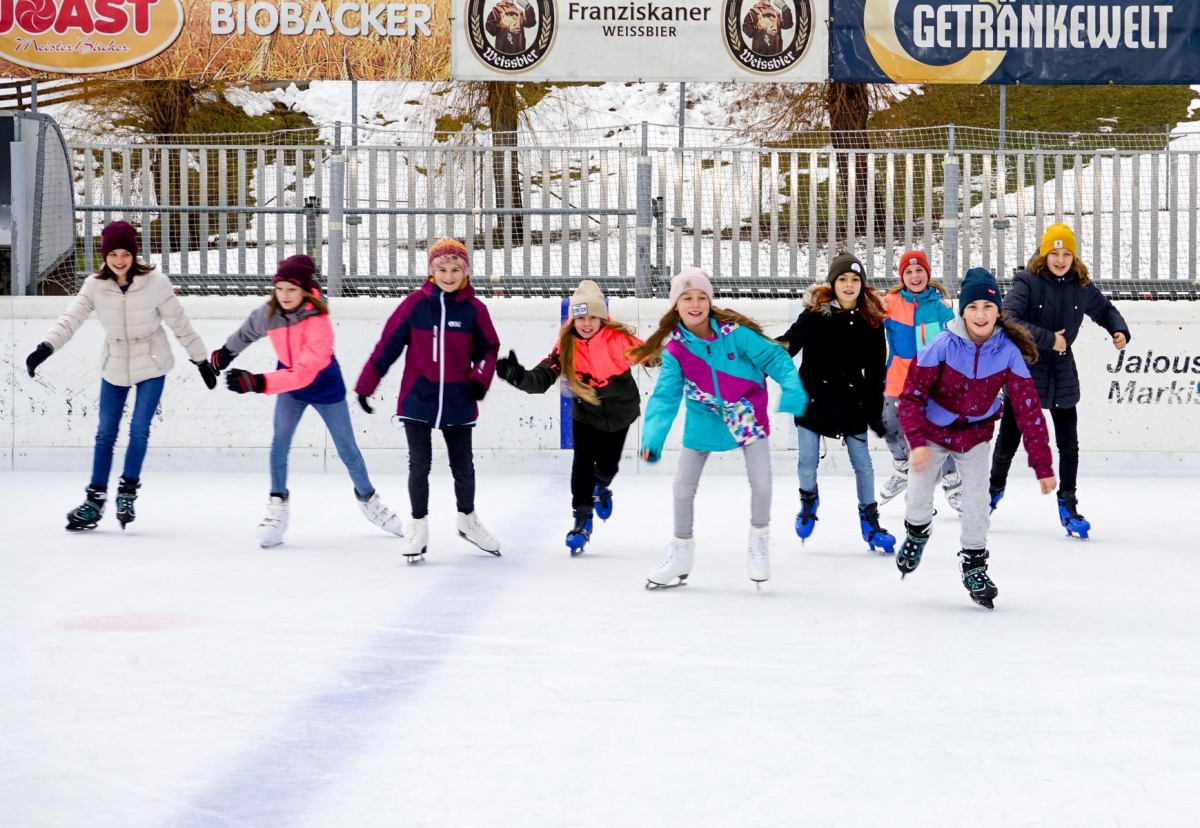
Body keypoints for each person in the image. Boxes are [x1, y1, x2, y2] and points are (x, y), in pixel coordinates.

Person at [25, 220, 216, 531]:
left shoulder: (156, 283)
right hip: (114, 363)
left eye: (125, 253)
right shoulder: (94, 285)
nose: (119, 260)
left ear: (134, 254)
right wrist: (45, 347)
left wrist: (200, 360)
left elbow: (179, 323)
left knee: (139, 430)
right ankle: (94, 500)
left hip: (152, 362)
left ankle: (127, 492)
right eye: (112, 253)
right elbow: (70, 318)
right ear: (105, 255)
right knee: (105, 434)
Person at [630, 268, 808, 589]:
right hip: (704, 419)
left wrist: (792, 390)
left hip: (746, 414)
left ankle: (759, 541)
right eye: (687, 298)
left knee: (762, 483)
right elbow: (665, 397)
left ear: (710, 303)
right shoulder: (675, 350)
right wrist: (653, 438)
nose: (695, 304)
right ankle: (682, 551)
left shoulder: (735, 333)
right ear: (676, 306)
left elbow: (775, 359)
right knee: (682, 489)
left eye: (701, 297)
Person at [212, 255, 403, 548]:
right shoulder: (270, 313)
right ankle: (277, 504)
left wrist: (257, 382)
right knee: (280, 443)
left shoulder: (318, 322)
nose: (285, 295)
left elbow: (303, 373)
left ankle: (369, 500)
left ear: (305, 290)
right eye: (280, 288)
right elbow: (248, 331)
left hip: (322, 385)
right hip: (288, 384)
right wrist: (225, 353)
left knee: (347, 448)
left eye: (292, 289)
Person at [897, 268, 1055, 609]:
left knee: (977, 500)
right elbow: (910, 397)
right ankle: (917, 532)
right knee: (917, 496)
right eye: (973, 307)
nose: (980, 314)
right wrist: (918, 442)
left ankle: (974, 563)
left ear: (998, 311)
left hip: (976, 433)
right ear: (962, 311)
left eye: (988, 306)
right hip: (933, 431)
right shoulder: (941, 345)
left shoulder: (1008, 351)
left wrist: (1042, 464)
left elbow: (1028, 409)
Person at [355, 239, 502, 562]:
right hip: (417, 398)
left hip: (459, 398)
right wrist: (367, 385)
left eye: (455, 269)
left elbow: (488, 349)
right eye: (442, 269)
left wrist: (479, 379)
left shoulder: (475, 310)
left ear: (465, 273)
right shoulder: (414, 305)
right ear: (431, 272)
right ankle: (418, 524)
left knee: (463, 466)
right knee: (419, 464)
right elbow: (388, 346)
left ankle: (467, 518)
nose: (449, 276)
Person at [987, 224, 1130, 539]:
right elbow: (1007, 318)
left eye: (1067, 254)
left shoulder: (1080, 286)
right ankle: (991, 493)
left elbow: (1104, 310)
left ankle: (1068, 504)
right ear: (1045, 254)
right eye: (1055, 253)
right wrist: (1048, 339)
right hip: (1027, 368)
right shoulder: (1027, 282)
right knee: (1009, 441)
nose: (1061, 259)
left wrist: (1118, 330)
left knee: (1069, 443)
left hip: (1062, 370)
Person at [494, 280, 643, 555]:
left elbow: (651, 355)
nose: (586, 323)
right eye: (580, 317)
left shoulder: (618, 339)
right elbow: (541, 378)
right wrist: (519, 377)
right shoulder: (566, 344)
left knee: (608, 467)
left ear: (602, 318)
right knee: (582, 462)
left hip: (620, 412)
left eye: (592, 318)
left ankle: (601, 486)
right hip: (585, 412)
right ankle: (582, 519)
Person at [777, 253, 893, 554]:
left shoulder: (871, 321)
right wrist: (767, 351)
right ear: (833, 283)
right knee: (807, 460)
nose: (849, 284)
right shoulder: (816, 314)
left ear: (862, 285)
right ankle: (808, 501)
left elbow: (876, 370)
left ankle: (871, 523)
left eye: (855, 280)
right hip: (813, 398)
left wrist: (873, 411)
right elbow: (791, 342)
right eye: (843, 279)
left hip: (850, 399)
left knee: (863, 464)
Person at [878, 249, 962, 512]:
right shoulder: (889, 304)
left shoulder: (941, 307)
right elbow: (865, 323)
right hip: (898, 377)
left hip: (932, 381)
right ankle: (902, 465)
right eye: (909, 272)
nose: (915, 276)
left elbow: (956, 344)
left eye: (919, 270)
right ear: (902, 276)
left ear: (928, 273)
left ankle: (952, 480)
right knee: (889, 424)